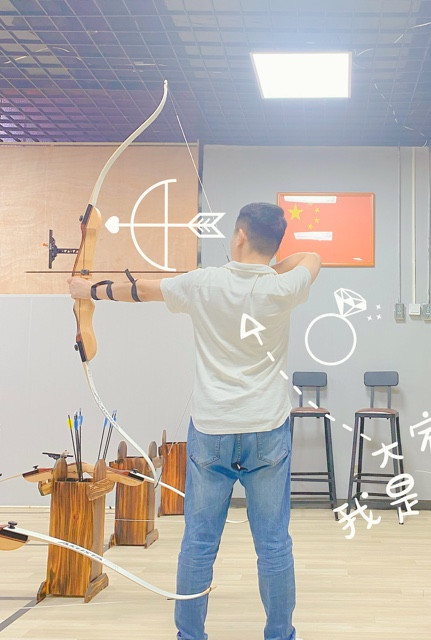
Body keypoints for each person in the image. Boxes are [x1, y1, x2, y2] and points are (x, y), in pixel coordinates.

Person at [68, 202, 321, 640]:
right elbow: (312, 258)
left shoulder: (204, 283)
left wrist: (89, 290)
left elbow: (140, 291)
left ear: (239, 236)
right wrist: (267, 269)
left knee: (199, 544)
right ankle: (281, 635)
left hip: (212, 431)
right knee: (274, 545)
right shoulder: (286, 287)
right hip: (267, 430)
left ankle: (190, 636)